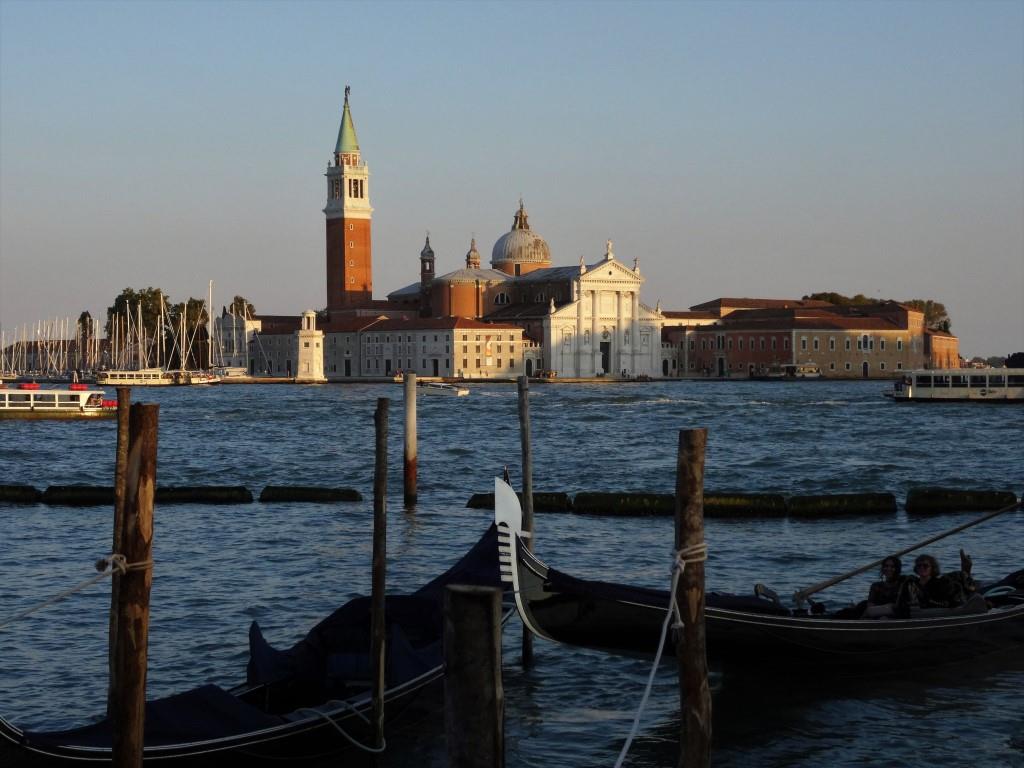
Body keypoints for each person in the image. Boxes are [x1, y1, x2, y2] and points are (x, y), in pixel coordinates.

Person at [896, 550, 977, 617]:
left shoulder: (940, 583)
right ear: (916, 568)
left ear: (932, 568)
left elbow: (950, 602)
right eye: (919, 566)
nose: (922, 568)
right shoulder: (912, 583)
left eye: (925, 566)